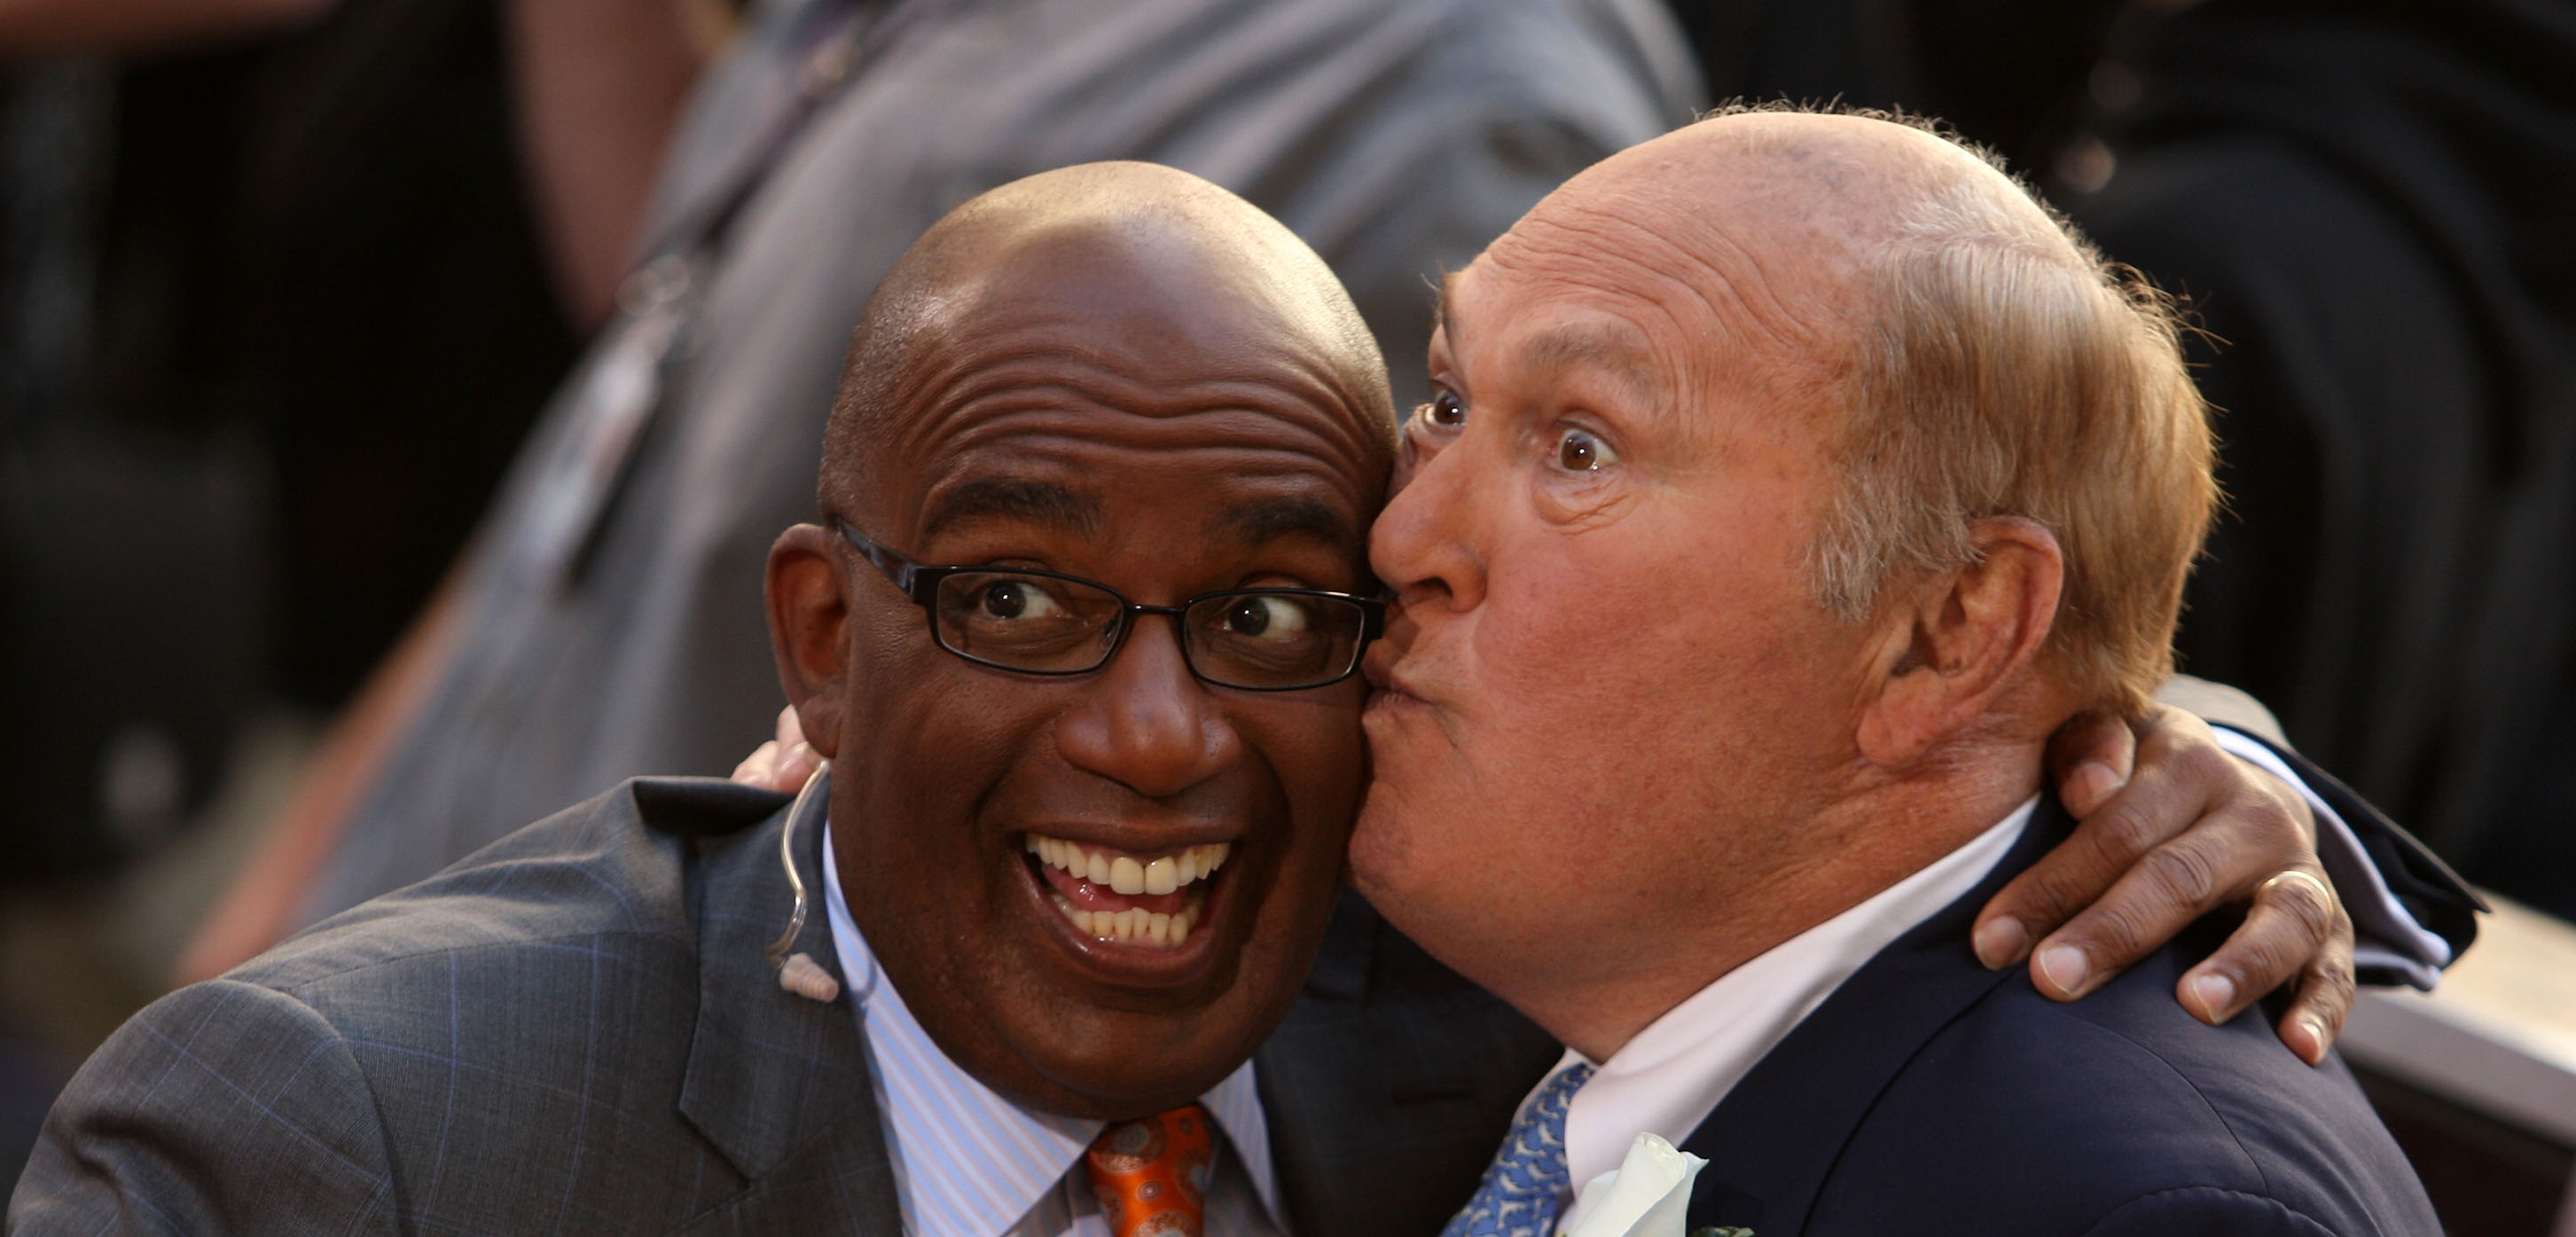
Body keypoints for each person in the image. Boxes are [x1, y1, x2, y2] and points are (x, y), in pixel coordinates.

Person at [0, 165, 2447, 1237]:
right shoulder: (374, 1135)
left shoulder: (1465, 1039)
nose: (1160, 732)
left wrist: (2165, 750)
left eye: (1276, 610)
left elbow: (1870, 832)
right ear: (830, 641)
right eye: (1019, 601)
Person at [1225, 112, 2528, 1237]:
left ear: (1948, 632)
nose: (1403, 537)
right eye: (1450, 402)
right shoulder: (1603, 964)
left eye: (1581, 449)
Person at [176, 0, 1706, 982]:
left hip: (698, 1174)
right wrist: (287, 928)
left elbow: (1432, 779)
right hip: (412, 1000)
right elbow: (656, 447)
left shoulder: (1467, 93)